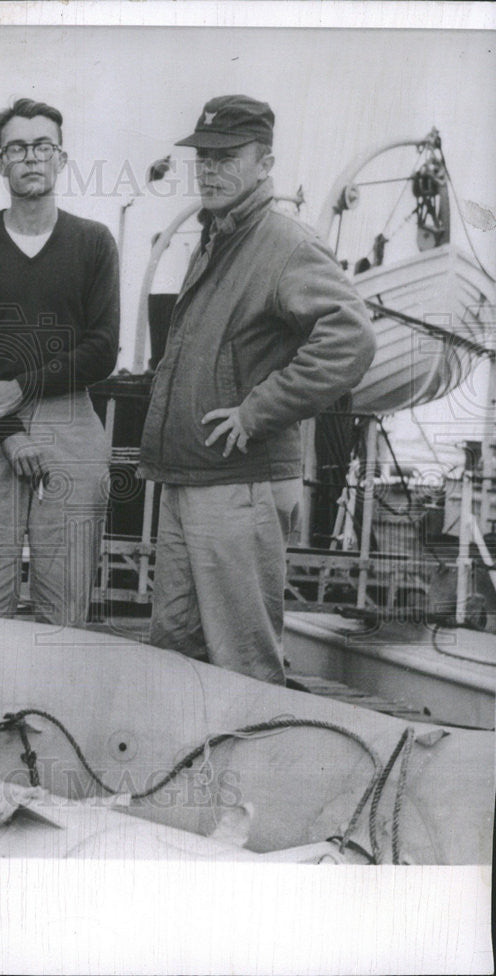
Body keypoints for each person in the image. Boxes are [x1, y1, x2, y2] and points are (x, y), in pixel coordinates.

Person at [139, 95, 376, 684]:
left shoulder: (284, 243)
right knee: (173, 651)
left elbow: (352, 338)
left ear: (265, 164)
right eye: (203, 158)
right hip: (186, 477)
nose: (210, 170)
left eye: (227, 156)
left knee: (243, 663)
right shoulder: (217, 235)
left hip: (237, 484)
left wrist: (257, 410)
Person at [0, 98, 120, 627]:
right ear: (1, 163)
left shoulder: (93, 242)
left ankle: (53, 708)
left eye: (44, 146)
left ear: (61, 158)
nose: (31, 158)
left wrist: (22, 387)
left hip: (70, 419)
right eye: (17, 147)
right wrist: (11, 430)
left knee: (64, 609)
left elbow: (103, 348)